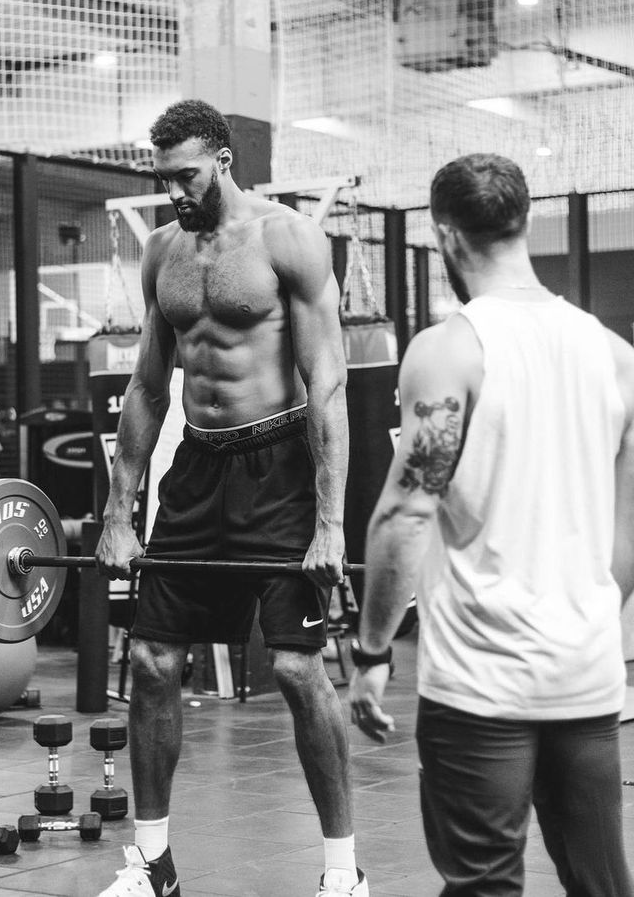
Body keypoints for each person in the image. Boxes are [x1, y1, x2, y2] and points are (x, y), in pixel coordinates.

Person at [95, 99, 369, 897]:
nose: (175, 192)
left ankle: (343, 871)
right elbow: (148, 387)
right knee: (151, 660)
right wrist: (121, 509)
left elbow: (329, 384)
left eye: (186, 175)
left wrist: (328, 521)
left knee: (295, 668)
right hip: (198, 467)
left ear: (222, 156)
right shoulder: (162, 253)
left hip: (280, 468)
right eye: (163, 179)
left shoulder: (287, 239)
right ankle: (152, 865)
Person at [348, 152, 634, 897]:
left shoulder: (449, 351)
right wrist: (582, 627)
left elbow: (405, 512)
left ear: (445, 236)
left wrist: (373, 649)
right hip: (588, 677)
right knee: (602, 888)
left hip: (480, 684)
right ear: (527, 219)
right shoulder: (617, 358)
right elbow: (628, 542)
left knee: (482, 886)